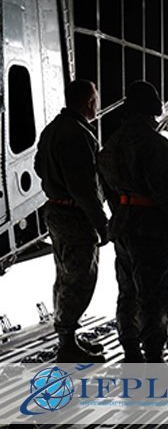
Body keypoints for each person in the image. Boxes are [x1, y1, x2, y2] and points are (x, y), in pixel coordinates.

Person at [97, 81, 168, 363]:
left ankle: (130, 349)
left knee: (127, 291)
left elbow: (107, 191)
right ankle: (153, 356)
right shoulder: (156, 145)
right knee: (156, 295)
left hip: (123, 226)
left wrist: (122, 214)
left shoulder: (111, 145)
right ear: (153, 111)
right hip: (151, 230)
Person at [35, 79, 108, 363]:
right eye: (95, 100)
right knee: (80, 278)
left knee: (64, 275)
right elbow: (84, 188)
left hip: (56, 211)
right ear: (89, 101)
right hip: (75, 216)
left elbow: (38, 166)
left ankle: (68, 336)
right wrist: (101, 224)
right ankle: (67, 342)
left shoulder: (52, 129)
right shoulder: (78, 134)